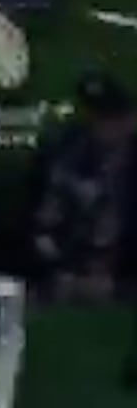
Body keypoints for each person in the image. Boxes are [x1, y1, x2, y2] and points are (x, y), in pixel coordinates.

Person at [29, 72, 137, 303]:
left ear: (130, 121)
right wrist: (59, 272)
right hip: (67, 272)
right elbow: (44, 223)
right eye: (93, 117)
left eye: (107, 118)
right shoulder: (68, 157)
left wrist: (118, 288)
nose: (98, 127)